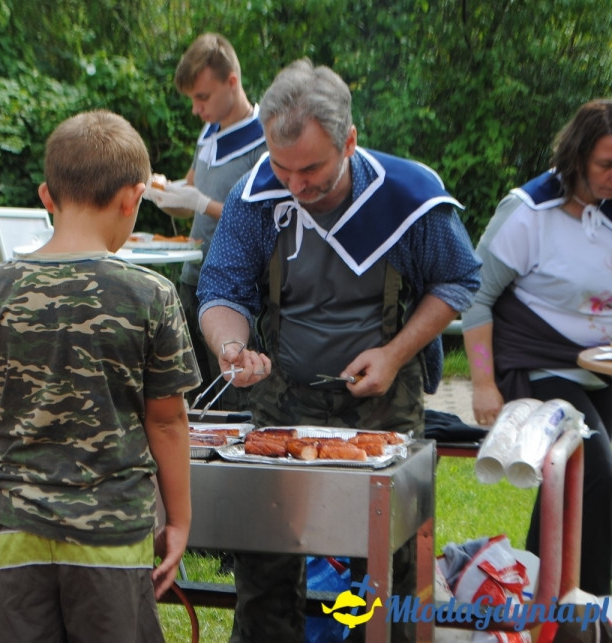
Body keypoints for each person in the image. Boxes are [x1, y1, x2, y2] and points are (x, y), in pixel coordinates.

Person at [196, 59, 482, 641]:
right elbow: (221, 287)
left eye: (313, 170)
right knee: (266, 561)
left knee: (388, 572)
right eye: (283, 168)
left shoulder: (409, 198)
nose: (296, 185)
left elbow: (458, 281)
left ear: (349, 141)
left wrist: (396, 353)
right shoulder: (256, 199)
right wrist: (231, 347)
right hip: (281, 404)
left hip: (383, 405)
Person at [0, 110, 200, 642]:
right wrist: (178, 522)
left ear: (47, 196)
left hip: (14, 530)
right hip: (110, 537)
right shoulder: (151, 295)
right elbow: (169, 423)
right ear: (133, 199)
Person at [462, 99, 612, 596]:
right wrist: (482, 382)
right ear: (576, 159)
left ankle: (548, 589)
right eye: (606, 165)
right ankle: (570, 608)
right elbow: (474, 299)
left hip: (601, 368)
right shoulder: (528, 213)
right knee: (594, 464)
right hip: (538, 364)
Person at [143, 33, 267, 410]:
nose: (196, 109)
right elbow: (194, 192)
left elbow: (259, 217)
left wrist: (200, 202)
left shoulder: (265, 139)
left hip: (236, 288)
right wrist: (167, 196)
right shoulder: (208, 132)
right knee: (191, 394)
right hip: (193, 278)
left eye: (203, 96)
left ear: (232, 82)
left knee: (234, 394)